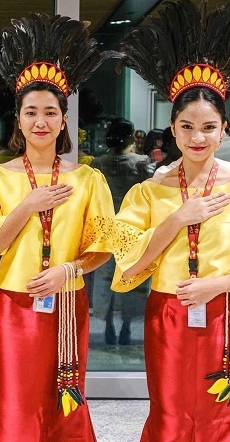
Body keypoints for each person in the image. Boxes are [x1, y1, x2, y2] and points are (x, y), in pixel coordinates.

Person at [111, 0, 230, 441]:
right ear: (171, 128)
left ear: (223, 128)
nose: (197, 137)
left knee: (225, 417)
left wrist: (219, 284)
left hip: (226, 314)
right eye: (187, 126)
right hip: (168, 316)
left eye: (208, 127)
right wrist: (176, 219)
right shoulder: (148, 192)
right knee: (171, 414)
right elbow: (128, 265)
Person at [0, 13, 114, 442]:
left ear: (63, 118)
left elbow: (103, 247)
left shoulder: (88, 179)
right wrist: (27, 207)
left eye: (50, 112)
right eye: (31, 112)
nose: (41, 121)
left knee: (64, 403)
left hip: (67, 306)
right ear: (17, 119)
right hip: (11, 307)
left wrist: (67, 270)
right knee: (14, 401)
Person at [91, 117, 151, 345]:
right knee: (132, 276)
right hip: (132, 229)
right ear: (130, 137)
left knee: (105, 278)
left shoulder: (98, 162)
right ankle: (127, 325)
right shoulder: (142, 162)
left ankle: (107, 324)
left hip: (106, 227)